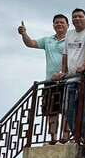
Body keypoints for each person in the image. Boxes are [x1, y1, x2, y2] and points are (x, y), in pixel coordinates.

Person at [18, 14, 68, 143]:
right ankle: (53, 138)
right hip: (50, 82)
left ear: (67, 25)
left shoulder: (71, 40)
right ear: (53, 25)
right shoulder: (47, 40)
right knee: (51, 111)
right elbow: (31, 43)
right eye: (56, 23)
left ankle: (65, 138)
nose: (59, 24)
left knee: (68, 111)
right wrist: (24, 33)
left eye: (62, 22)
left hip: (67, 80)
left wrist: (64, 72)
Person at [54, 8, 85, 141]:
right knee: (68, 109)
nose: (77, 19)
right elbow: (65, 54)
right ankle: (78, 136)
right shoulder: (69, 34)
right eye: (74, 17)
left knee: (84, 110)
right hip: (70, 78)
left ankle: (83, 137)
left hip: (84, 79)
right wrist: (63, 71)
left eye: (80, 16)